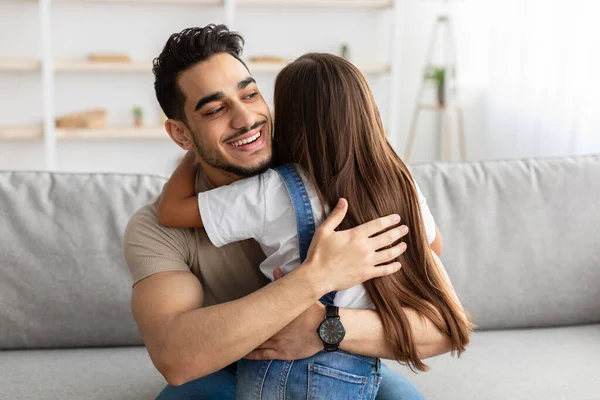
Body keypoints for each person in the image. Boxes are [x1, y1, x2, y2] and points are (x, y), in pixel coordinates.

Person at [123, 25, 467, 400]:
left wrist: (324, 327)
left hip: (337, 352)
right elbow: (176, 359)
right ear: (181, 134)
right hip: (224, 366)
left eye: (250, 94)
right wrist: (319, 276)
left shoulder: (343, 183)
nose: (245, 119)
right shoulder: (154, 228)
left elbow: (445, 325)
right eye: (216, 109)